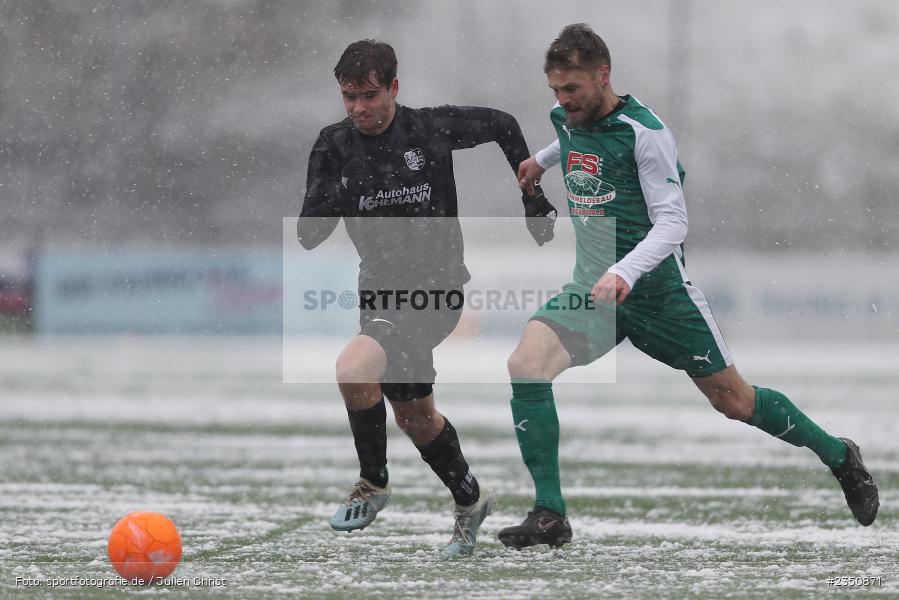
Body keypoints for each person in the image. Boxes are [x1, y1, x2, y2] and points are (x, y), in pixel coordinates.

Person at [499, 23, 879, 549]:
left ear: (604, 76)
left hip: (658, 296)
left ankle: (840, 456)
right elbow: (571, 138)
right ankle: (550, 514)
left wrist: (625, 271)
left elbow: (674, 223)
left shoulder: (646, 133)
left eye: (573, 90)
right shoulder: (566, 119)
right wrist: (539, 161)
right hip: (594, 292)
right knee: (526, 364)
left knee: (735, 402)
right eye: (556, 91)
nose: (564, 102)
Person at [298, 39, 557, 557]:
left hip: (437, 294)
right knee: (415, 415)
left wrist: (533, 198)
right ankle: (470, 497)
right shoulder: (333, 146)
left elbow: (504, 124)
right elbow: (309, 235)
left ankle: (372, 482)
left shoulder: (430, 129)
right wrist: (335, 196)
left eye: (368, 95)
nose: (358, 109)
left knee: (353, 369)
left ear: (394, 88)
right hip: (378, 297)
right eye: (348, 97)